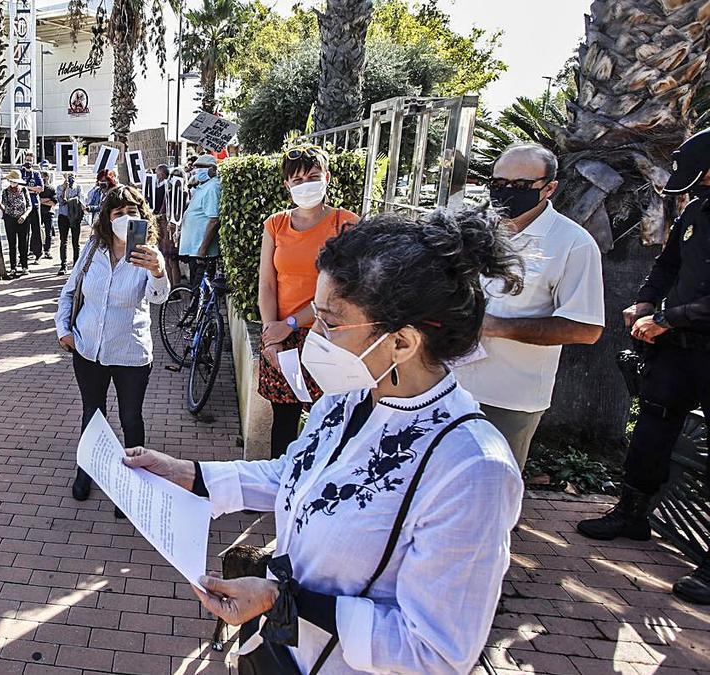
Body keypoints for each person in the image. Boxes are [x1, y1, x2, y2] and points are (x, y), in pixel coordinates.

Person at [125, 207, 524, 673]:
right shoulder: (349, 397)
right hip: (279, 651)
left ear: (402, 343)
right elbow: (296, 474)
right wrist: (188, 474)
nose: (315, 334)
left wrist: (281, 599)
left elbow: (435, 651)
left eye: (331, 322)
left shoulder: (471, 469)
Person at [577, 129, 710, 604]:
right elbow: (667, 265)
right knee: (652, 427)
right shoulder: (696, 210)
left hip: (690, 335)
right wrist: (645, 302)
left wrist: (666, 318)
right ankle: (632, 512)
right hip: (676, 346)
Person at [454, 143, 604, 470]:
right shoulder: (475, 230)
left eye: (521, 186)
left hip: (508, 398)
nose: (506, 192)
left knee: (492, 487)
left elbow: (587, 328)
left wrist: (498, 327)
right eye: (498, 183)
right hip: (447, 383)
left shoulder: (573, 244)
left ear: (549, 187)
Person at [55, 185, 169, 519]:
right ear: (107, 217)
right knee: (92, 414)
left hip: (131, 353)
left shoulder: (147, 254)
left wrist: (158, 270)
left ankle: (131, 480)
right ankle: (86, 469)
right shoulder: (93, 248)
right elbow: (70, 291)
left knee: (131, 419)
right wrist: (64, 331)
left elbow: (159, 298)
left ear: (142, 216)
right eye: (118, 213)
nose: (125, 218)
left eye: (132, 212)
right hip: (88, 349)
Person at [258, 147, 360, 459]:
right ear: (286, 185)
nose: (306, 184)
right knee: (283, 423)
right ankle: (278, 493)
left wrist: (290, 323)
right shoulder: (275, 224)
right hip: (282, 340)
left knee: (327, 423)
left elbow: (344, 290)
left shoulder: (347, 224)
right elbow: (266, 282)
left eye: (313, 177)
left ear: (327, 178)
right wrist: (271, 336)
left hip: (327, 336)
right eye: (297, 179)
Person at [179, 154, 222, 290]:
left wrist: (202, 250)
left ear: (213, 170)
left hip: (201, 252)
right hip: (195, 249)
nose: (198, 170)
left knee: (198, 291)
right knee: (195, 288)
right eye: (196, 167)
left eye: (202, 167)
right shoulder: (203, 186)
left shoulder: (212, 188)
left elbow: (214, 220)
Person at [0, 170, 33, 277]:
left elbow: (29, 206)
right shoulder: (5, 192)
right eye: (11, 181)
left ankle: (24, 266)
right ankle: (13, 267)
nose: (13, 183)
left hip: (23, 219)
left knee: (24, 243)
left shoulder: (24, 190)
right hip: (10, 219)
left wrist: (24, 216)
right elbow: (4, 207)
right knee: (12, 244)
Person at [56, 172, 84, 274]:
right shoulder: (59, 187)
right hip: (63, 216)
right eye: (68, 175)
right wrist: (64, 189)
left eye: (72, 175)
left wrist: (73, 200)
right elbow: (61, 201)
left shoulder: (78, 187)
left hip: (75, 217)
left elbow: (81, 200)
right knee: (63, 241)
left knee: (75, 242)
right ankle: (63, 265)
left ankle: (76, 264)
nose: (70, 177)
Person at [22, 152, 46, 263]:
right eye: (27, 160)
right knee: (24, 231)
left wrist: (27, 189)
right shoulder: (20, 172)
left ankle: (38, 254)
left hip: (35, 204)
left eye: (30, 160)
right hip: (23, 206)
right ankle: (23, 255)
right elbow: (18, 186)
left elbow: (41, 188)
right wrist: (32, 189)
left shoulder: (36, 174)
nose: (28, 162)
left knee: (36, 229)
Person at [39, 170, 57, 260]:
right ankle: (34, 250)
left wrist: (41, 201)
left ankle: (47, 250)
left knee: (48, 233)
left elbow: (53, 202)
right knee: (36, 232)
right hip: (38, 213)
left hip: (49, 213)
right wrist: (46, 200)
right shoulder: (37, 188)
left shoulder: (51, 188)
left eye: (42, 176)